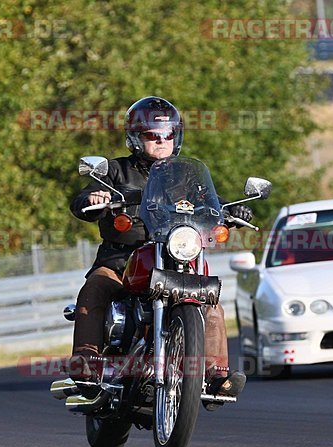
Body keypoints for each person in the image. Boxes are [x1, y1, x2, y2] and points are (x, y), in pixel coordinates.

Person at [68, 96, 251, 403]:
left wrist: (231, 214)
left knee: (211, 302)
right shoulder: (115, 171)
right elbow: (82, 200)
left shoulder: (187, 176)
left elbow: (211, 205)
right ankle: (86, 365)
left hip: (175, 258)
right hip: (121, 259)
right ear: (136, 138)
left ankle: (216, 374)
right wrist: (93, 200)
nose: (162, 141)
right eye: (153, 135)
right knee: (95, 289)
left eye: (169, 134)